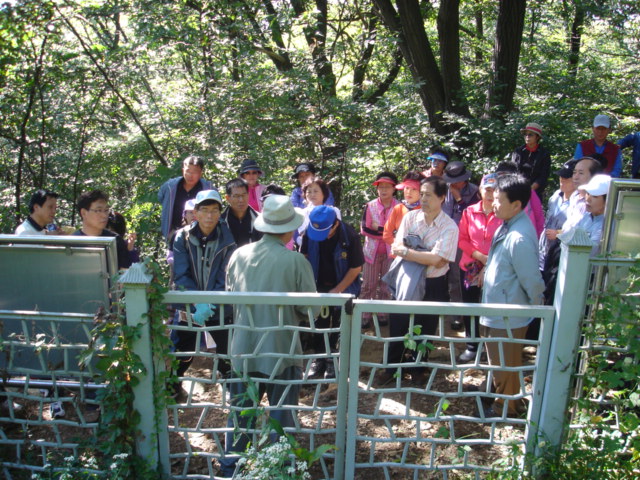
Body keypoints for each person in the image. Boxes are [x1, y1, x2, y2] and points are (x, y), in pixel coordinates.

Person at [219, 195, 318, 477]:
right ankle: (281, 468)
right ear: (289, 229)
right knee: (282, 415)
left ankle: (232, 469)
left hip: (243, 347)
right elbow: (309, 309)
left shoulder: (239, 255)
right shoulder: (296, 261)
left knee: (240, 415)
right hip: (282, 347)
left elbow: (230, 293)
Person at [378, 176, 458, 386]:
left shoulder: (449, 227)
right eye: (421, 194)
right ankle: (391, 367)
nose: (423, 199)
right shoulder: (410, 218)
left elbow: (438, 260)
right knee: (398, 325)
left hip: (434, 285)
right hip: (406, 280)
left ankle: (418, 368)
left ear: (441, 198)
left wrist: (409, 252)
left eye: (428, 195)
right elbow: (397, 248)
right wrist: (424, 255)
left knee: (426, 328)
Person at [480, 174, 545, 417]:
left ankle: (506, 409)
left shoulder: (518, 237)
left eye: (498, 200)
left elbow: (531, 279)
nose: (493, 203)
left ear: (516, 205)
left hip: (508, 313)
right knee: (503, 363)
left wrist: (538, 306)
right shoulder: (508, 225)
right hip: (498, 308)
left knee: (504, 365)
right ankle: (509, 404)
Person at [172, 190, 236, 385]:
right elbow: (181, 274)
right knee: (183, 349)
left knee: (227, 351)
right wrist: (197, 301)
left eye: (214, 210)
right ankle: (173, 387)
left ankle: (232, 390)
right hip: (189, 306)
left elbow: (225, 276)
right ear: (196, 212)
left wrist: (210, 301)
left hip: (219, 305)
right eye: (205, 210)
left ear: (220, 213)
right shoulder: (181, 237)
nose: (209, 216)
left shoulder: (228, 239)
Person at [301, 205, 363, 379]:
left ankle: (334, 360)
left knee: (339, 323)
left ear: (335, 225)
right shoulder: (310, 232)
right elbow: (304, 258)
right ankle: (319, 358)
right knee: (318, 323)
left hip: (342, 286)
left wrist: (337, 290)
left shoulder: (349, 235)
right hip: (317, 284)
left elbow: (355, 267)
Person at [457, 173, 502, 362]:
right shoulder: (469, 212)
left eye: (494, 189)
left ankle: (491, 346)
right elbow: (462, 239)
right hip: (469, 267)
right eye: (487, 189)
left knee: (491, 306)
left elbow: (504, 241)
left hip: (496, 267)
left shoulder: (503, 213)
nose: (490, 194)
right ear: (480, 190)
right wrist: (479, 256)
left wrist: (488, 261)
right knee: (471, 305)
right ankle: (472, 345)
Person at [441, 161, 481, 331]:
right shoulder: (444, 189)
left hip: (464, 241)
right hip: (445, 238)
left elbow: (472, 218)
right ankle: (454, 312)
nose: (453, 184)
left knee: (459, 278)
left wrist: (458, 198)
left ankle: (464, 315)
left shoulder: (475, 192)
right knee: (447, 278)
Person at [360, 172, 400, 328]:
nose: (383, 190)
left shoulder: (399, 207)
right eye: (380, 187)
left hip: (391, 252)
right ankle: (364, 314)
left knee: (386, 285)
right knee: (368, 284)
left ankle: (383, 312)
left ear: (394, 189)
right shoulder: (370, 206)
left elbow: (400, 230)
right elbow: (364, 229)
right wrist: (387, 232)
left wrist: (380, 229)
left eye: (387, 187)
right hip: (371, 252)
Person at [538, 160, 578, 308]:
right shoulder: (555, 196)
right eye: (561, 177)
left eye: (566, 179)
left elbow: (578, 230)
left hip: (560, 252)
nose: (562, 181)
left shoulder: (578, 202)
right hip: (544, 248)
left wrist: (559, 233)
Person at [73, 190, 132, 270]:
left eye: (106, 210)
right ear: (83, 213)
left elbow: (125, 274)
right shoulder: (72, 242)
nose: (104, 215)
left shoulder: (115, 241)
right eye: (98, 210)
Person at [158, 155, 213, 240]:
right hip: (174, 233)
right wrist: (169, 234)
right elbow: (161, 198)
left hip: (201, 234)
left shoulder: (207, 188)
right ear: (183, 170)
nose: (190, 175)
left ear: (201, 172)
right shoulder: (170, 187)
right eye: (187, 171)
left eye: (194, 172)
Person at [495, 162, 544, 237]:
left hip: (527, 234)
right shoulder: (495, 193)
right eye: (499, 175)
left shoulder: (528, 191)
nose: (502, 179)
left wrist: (539, 237)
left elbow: (539, 216)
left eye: (505, 175)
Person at [571, 174, 612, 256]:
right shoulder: (585, 216)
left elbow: (589, 252)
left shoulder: (608, 225)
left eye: (595, 196)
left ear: (607, 200)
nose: (588, 199)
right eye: (587, 193)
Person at [382, 171, 424, 247]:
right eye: (407, 188)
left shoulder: (426, 210)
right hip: (399, 254)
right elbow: (386, 234)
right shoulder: (398, 208)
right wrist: (400, 245)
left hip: (420, 256)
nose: (409, 192)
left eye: (414, 189)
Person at [510, 122, 551, 196]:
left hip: (535, 193)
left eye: (530, 135)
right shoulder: (518, 151)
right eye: (525, 134)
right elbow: (512, 171)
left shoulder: (544, 154)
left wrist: (530, 189)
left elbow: (543, 176)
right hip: (517, 190)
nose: (527, 137)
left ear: (537, 137)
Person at [221, 178, 262, 247]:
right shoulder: (220, 222)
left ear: (248, 195)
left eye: (244, 195)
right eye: (236, 196)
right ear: (228, 198)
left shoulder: (260, 220)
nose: (241, 200)